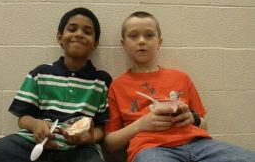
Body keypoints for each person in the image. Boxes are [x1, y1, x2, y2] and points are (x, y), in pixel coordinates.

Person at [0, 7, 112, 162]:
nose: (79, 34)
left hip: (80, 150)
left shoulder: (102, 81)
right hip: (33, 142)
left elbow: (102, 128)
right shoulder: (40, 73)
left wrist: (90, 138)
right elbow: (23, 118)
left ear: (95, 43)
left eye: (87, 32)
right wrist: (36, 125)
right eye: (72, 29)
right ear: (59, 37)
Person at [104, 11, 255, 162]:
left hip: (199, 144)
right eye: (133, 36)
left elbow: (203, 125)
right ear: (123, 44)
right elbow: (110, 144)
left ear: (159, 42)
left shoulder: (181, 77)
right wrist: (141, 125)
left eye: (149, 35)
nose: (142, 41)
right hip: (151, 148)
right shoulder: (117, 86)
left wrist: (191, 117)